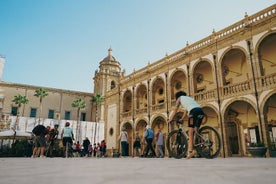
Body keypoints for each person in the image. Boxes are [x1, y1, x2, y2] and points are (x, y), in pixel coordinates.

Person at [167, 91, 204, 159]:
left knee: (190, 131)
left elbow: (175, 109)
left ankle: (190, 151)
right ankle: (198, 145)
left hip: (193, 112)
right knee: (196, 131)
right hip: (200, 111)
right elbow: (186, 111)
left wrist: (170, 119)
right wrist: (182, 119)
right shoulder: (189, 99)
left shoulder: (179, 98)